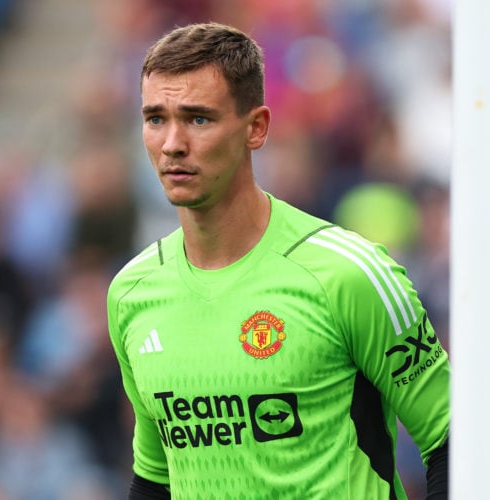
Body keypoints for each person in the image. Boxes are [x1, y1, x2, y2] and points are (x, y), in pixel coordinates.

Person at [106, 22, 449, 499]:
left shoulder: (347, 272)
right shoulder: (132, 292)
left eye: (198, 118)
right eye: (155, 118)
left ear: (256, 128)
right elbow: (154, 479)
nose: (172, 144)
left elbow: (452, 440)